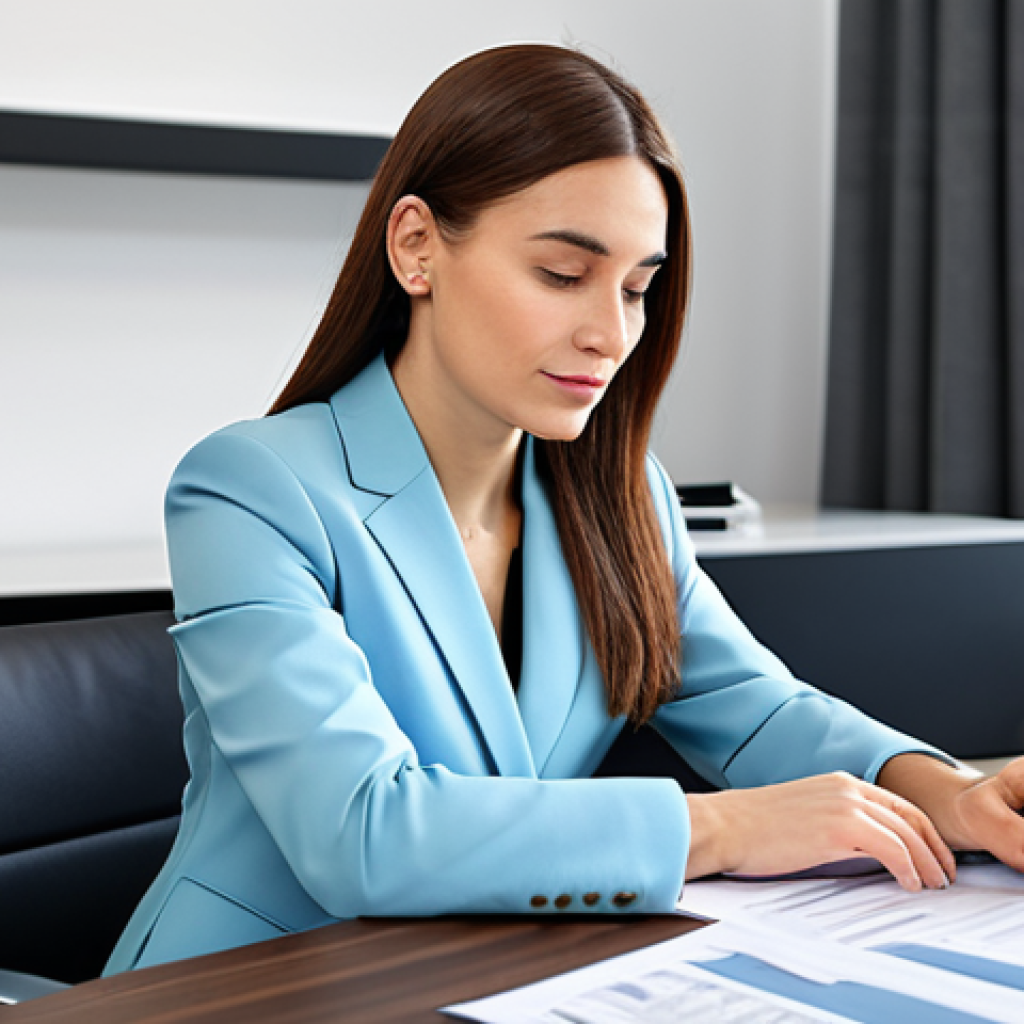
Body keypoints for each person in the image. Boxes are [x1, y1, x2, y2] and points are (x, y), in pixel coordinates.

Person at [105, 43, 1024, 974]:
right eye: (561, 275)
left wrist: (946, 795)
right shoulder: (250, 488)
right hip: (248, 985)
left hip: (478, 972)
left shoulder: (618, 493)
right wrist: (722, 828)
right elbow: (363, 834)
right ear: (416, 246)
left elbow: (755, 708)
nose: (611, 333)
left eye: (636, 288)